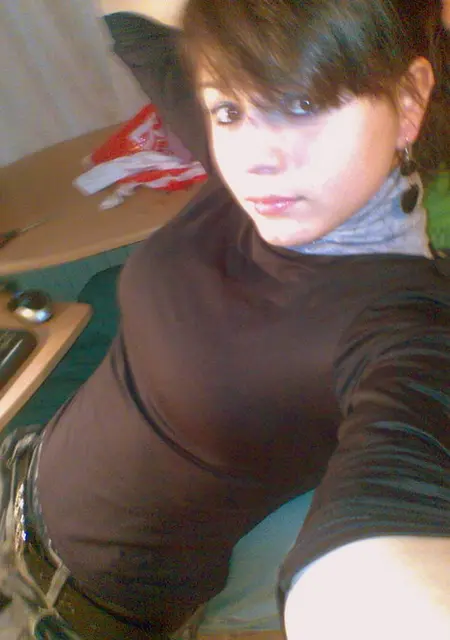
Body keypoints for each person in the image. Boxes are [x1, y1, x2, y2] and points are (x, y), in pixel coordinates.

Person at [1, 0, 450, 638]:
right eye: (230, 110)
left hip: (68, 608)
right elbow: (138, 26)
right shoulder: (269, 186)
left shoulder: (404, 325)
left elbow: (385, 557)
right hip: (22, 462)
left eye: (303, 104)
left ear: (408, 101)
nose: (255, 159)